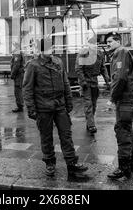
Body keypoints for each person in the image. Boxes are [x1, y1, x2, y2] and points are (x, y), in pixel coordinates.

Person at [23, 38, 88, 178]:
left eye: (51, 47)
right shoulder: (33, 65)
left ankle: (72, 163)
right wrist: (31, 108)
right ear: (41, 50)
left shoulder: (58, 62)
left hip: (60, 106)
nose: (51, 50)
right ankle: (50, 163)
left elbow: (65, 82)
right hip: (43, 107)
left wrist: (69, 101)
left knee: (66, 135)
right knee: (46, 137)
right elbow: (27, 89)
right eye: (47, 48)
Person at [105, 32, 133, 180]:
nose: (108, 44)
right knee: (127, 128)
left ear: (118, 41)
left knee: (122, 130)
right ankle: (132, 164)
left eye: (110, 41)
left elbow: (119, 78)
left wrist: (112, 99)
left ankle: (124, 168)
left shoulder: (120, 53)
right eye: (107, 42)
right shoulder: (120, 53)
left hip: (125, 98)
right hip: (128, 97)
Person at [75, 37, 110, 135]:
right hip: (85, 81)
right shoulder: (83, 53)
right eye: (91, 44)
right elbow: (78, 69)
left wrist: (107, 81)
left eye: (95, 44)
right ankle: (91, 125)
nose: (94, 45)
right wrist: (83, 82)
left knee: (94, 104)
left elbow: (103, 68)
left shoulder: (99, 54)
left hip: (94, 82)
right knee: (88, 104)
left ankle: (89, 121)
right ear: (88, 44)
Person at [10, 42, 25, 113]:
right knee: (19, 90)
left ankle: (20, 106)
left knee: (17, 91)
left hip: (18, 75)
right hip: (19, 74)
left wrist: (12, 75)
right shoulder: (18, 53)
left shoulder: (17, 53)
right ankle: (20, 105)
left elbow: (16, 65)